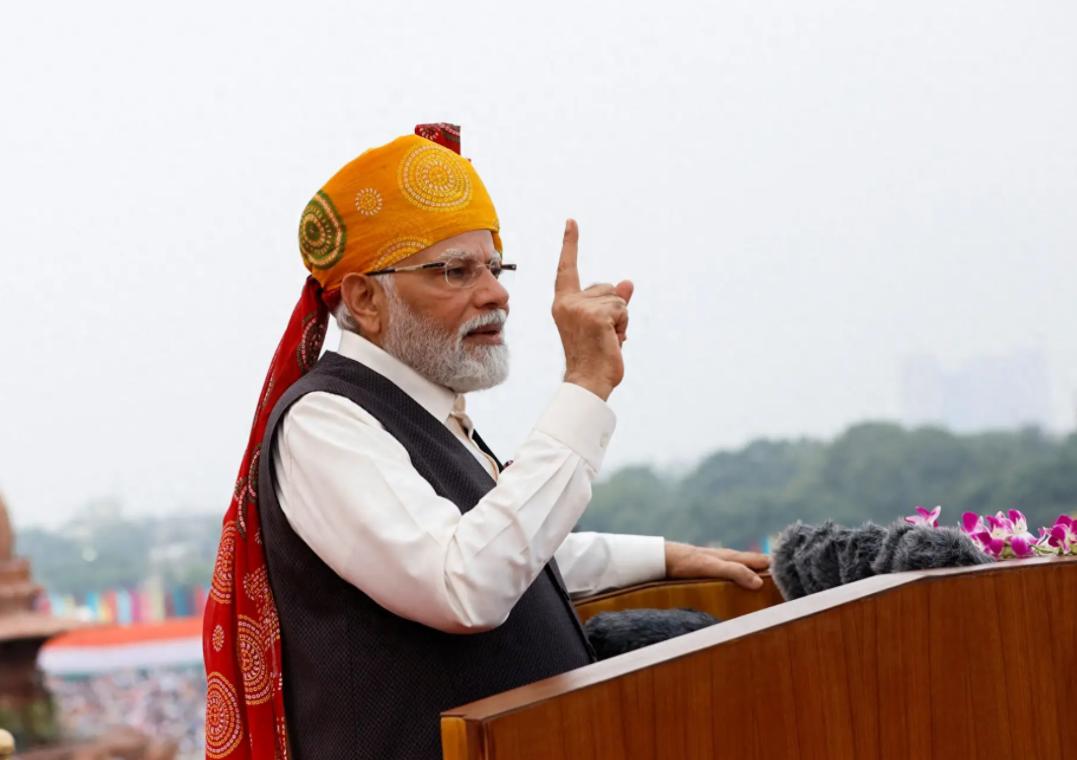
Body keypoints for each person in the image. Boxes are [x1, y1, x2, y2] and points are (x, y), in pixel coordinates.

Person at [202, 123, 769, 760]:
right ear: (364, 297)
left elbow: (505, 549)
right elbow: (463, 582)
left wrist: (666, 558)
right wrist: (585, 383)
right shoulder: (323, 422)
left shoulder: (426, 410)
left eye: (496, 268)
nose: (496, 293)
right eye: (455, 271)